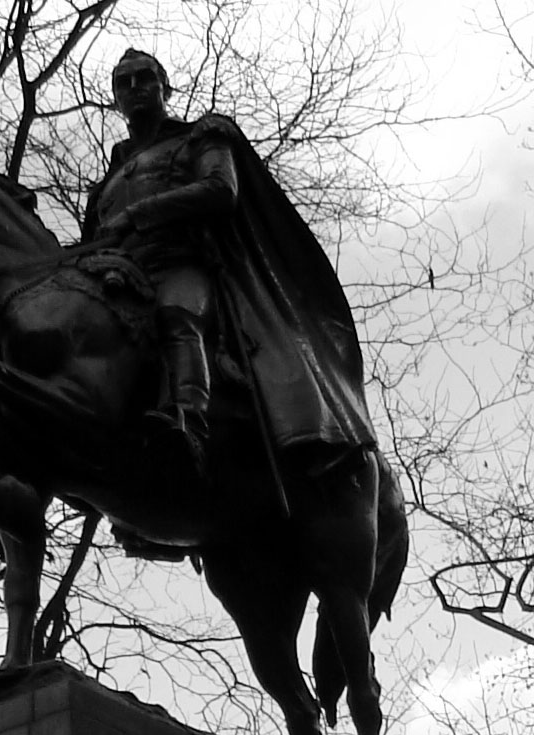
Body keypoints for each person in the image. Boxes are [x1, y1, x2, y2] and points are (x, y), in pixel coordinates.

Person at [82, 49, 376, 484]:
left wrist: (139, 214)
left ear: (165, 87)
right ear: (115, 101)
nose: (134, 88)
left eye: (144, 78)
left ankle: (189, 427)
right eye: (122, 84)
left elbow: (221, 190)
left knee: (176, 316)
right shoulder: (108, 179)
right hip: (121, 279)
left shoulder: (199, 138)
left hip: (183, 264)